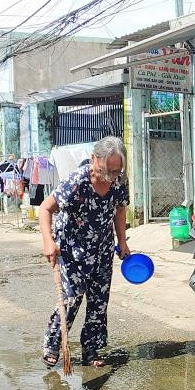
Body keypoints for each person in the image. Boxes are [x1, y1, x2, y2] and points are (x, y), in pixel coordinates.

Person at [38, 136, 132, 368]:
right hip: (71, 249)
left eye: (117, 171)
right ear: (94, 159)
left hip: (102, 248)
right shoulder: (77, 181)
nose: (112, 176)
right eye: (107, 170)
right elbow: (45, 208)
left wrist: (122, 241)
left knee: (99, 301)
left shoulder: (119, 181)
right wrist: (48, 242)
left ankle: (92, 348)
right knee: (71, 298)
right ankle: (53, 344)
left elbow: (120, 209)